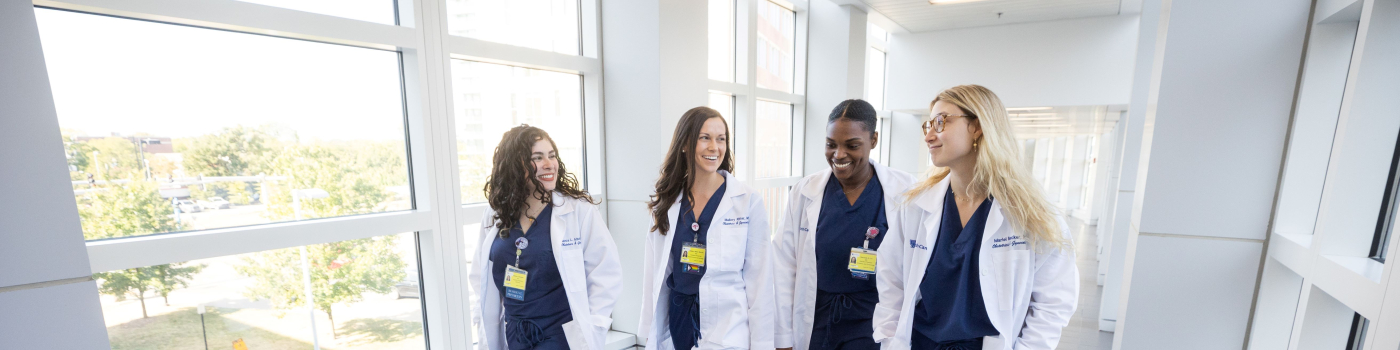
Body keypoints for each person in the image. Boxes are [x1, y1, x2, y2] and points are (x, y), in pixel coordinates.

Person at [872, 85, 1078, 350]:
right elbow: (892, 284)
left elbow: (1053, 301)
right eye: (928, 125)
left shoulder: (1031, 214)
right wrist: (890, 340)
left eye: (940, 122)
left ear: (977, 126)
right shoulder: (915, 206)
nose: (929, 136)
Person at [774, 99, 914, 350]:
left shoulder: (904, 190)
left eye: (852, 145)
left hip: (873, 324)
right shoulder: (806, 191)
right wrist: (783, 338)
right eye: (831, 145)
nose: (838, 155)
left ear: (874, 140)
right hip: (816, 321)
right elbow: (784, 265)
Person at [468, 125, 624, 350]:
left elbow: (605, 273)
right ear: (515, 164)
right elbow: (480, 276)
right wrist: (480, 318)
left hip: (560, 336)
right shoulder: (495, 213)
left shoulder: (578, 211)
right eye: (537, 158)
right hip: (514, 334)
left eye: (552, 156)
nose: (549, 164)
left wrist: (595, 324)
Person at [639, 106, 776, 350]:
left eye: (721, 139)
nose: (715, 147)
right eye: (705, 138)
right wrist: (649, 331)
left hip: (728, 327)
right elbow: (655, 274)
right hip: (678, 322)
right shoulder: (667, 203)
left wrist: (763, 344)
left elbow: (760, 279)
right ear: (684, 144)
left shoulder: (746, 200)